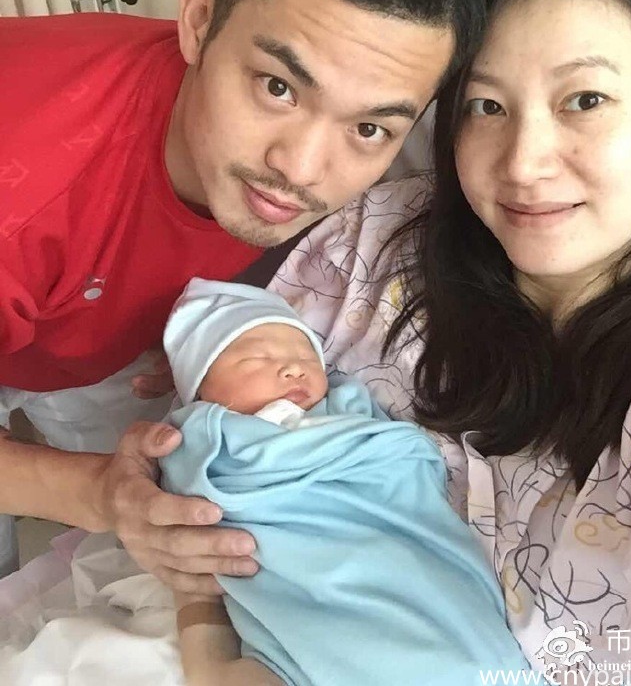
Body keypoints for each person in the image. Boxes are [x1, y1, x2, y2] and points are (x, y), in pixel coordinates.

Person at [0, 0, 484, 586]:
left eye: (369, 128)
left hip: (69, 322)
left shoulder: (358, 187)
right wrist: (92, 491)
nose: (301, 169)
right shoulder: (29, 191)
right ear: (199, 19)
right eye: (278, 87)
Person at [264, 0, 631, 675]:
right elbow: (219, 462)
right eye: (486, 106)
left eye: (585, 100)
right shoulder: (373, 247)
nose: (523, 163)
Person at [158, 278, 528, 686]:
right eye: (256, 358)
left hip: (390, 550)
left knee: (458, 650)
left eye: (305, 354)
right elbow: (175, 511)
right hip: (298, 586)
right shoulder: (202, 439)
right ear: (201, 392)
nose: (294, 367)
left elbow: (400, 457)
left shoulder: (347, 408)